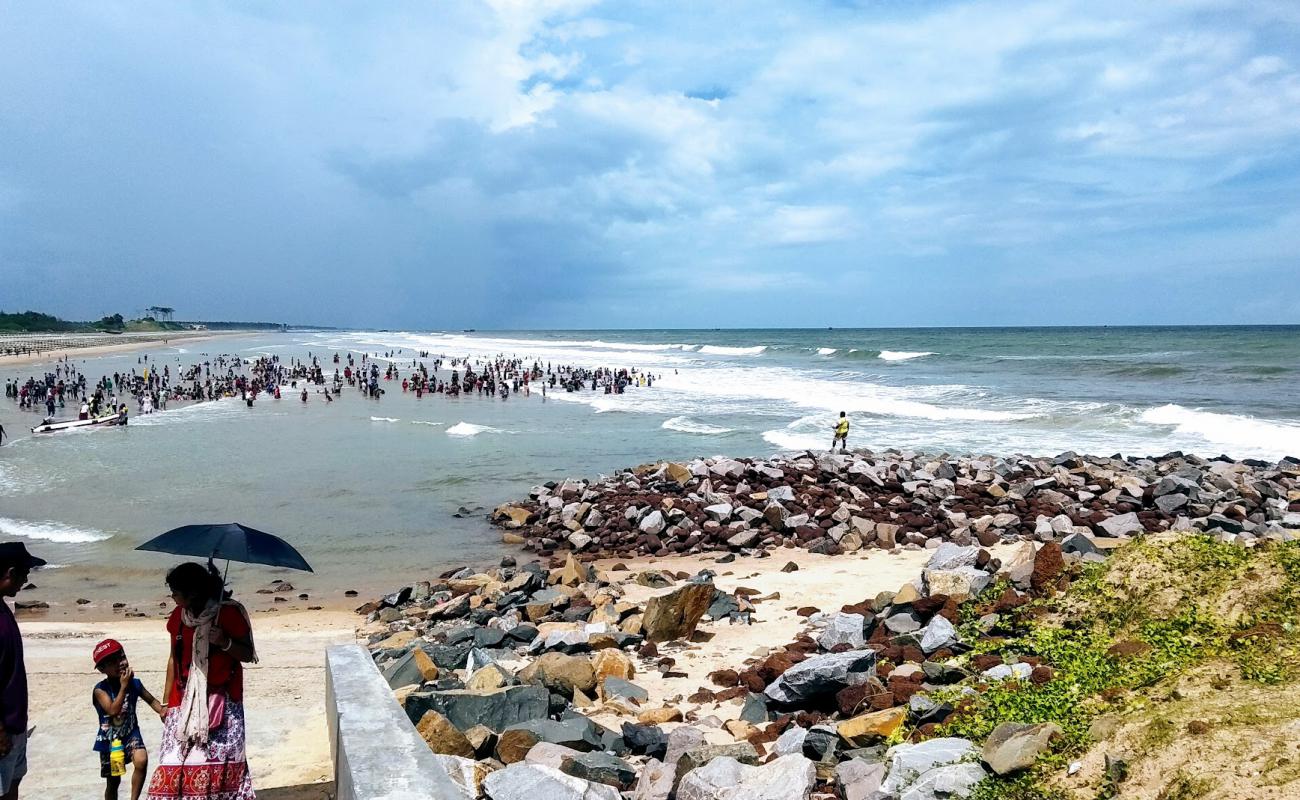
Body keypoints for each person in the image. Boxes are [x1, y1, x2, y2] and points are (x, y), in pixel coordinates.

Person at [144, 562, 256, 800]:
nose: (172, 595)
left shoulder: (228, 614)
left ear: (192, 592)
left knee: (218, 772)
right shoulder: (178, 617)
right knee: (171, 769)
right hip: (182, 704)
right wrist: (166, 703)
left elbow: (247, 654)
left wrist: (224, 642)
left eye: (175, 591)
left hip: (222, 704)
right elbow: (173, 658)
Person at [0, 542, 46, 800]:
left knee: (13, 787)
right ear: (9, 572)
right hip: (4, 730)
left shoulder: (5, 609)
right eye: (24, 572)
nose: (27, 579)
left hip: (16, 725)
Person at [92, 639, 165, 800]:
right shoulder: (100, 690)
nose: (121, 663)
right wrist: (124, 686)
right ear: (102, 669)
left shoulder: (135, 684)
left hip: (131, 733)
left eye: (122, 657)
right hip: (110, 740)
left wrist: (163, 712)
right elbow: (113, 710)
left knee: (141, 760)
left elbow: (152, 701)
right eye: (113, 662)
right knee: (113, 781)